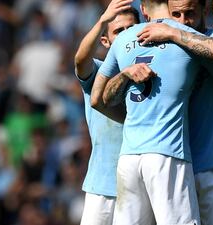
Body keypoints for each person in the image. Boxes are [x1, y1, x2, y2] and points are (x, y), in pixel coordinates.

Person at [131, 0, 213, 224]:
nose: (183, 21)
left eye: (189, 13)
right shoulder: (166, 49)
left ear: (204, 10)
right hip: (179, 166)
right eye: (176, 14)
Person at [73, 1, 155, 224]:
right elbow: (80, 60)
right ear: (105, 41)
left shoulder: (152, 70)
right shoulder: (99, 72)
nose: (127, 35)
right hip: (102, 184)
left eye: (131, 28)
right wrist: (102, 21)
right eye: (119, 31)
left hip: (138, 186)